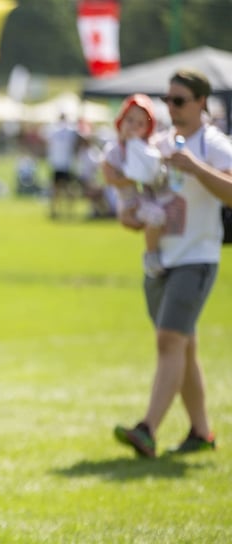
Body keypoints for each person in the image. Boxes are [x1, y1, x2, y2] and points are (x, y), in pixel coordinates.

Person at [113, 69, 232, 458]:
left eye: (179, 100)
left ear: (201, 102)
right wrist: (130, 213)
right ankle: (201, 433)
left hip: (196, 257)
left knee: (168, 341)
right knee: (183, 348)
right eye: (168, 100)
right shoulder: (159, 142)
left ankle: (147, 429)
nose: (172, 107)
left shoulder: (215, 144)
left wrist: (195, 166)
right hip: (159, 259)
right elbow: (141, 193)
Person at [102, 93, 168, 276]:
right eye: (129, 120)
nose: (133, 127)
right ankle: (151, 255)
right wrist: (131, 178)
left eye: (140, 124)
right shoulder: (114, 150)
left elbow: (156, 172)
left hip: (148, 198)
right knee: (156, 216)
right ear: (121, 121)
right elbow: (109, 177)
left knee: (161, 217)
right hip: (129, 201)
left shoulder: (148, 149)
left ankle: (156, 250)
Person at [44, 112, 80, 219]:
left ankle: (54, 211)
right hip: (66, 163)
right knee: (67, 188)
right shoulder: (71, 130)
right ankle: (69, 211)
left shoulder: (53, 129)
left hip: (56, 163)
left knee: (56, 189)